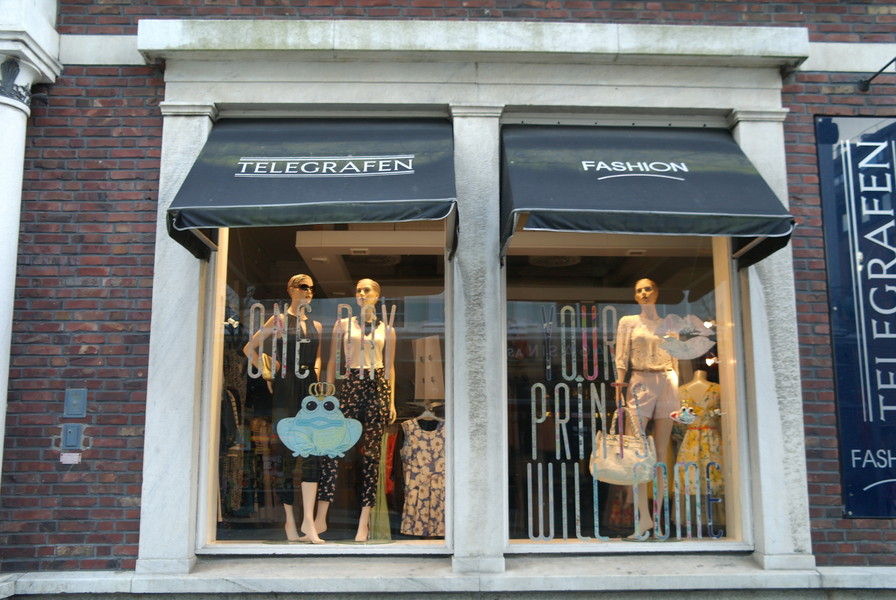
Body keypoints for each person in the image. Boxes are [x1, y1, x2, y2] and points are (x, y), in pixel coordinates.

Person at [243, 274, 325, 543]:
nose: (309, 291)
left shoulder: (316, 325)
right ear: (290, 289)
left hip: (309, 387)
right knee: (286, 453)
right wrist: (267, 372)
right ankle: (289, 520)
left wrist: (316, 374)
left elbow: (318, 358)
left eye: (311, 288)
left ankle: (309, 522)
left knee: (312, 453)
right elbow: (249, 348)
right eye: (303, 287)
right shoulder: (277, 320)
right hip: (286, 385)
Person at [316, 278, 397, 542]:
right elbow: (332, 361)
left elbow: (390, 367)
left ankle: (364, 521)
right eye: (358, 290)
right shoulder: (343, 325)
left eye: (367, 290)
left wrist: (391, 401)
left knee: (371, 455)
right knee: (334, 447)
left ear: (377, 295)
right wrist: (328, 394)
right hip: (351, 382)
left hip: (377, 385)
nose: (361, 294)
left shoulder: (387, 329)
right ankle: (321, 516)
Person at [614, 278, 678, 537]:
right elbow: (621, 357)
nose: (643, 293)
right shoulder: (628, 322)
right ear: (635, 295)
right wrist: (619, 389)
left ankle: (660, 519)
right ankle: (643, 518)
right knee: (638, 453)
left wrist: (678, 392)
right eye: (638, 290)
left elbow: (676, 358)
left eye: (648, 288)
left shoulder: (669, 324)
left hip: (667, 379)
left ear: (656, 292)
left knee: (662, 453)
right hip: (639, 380)